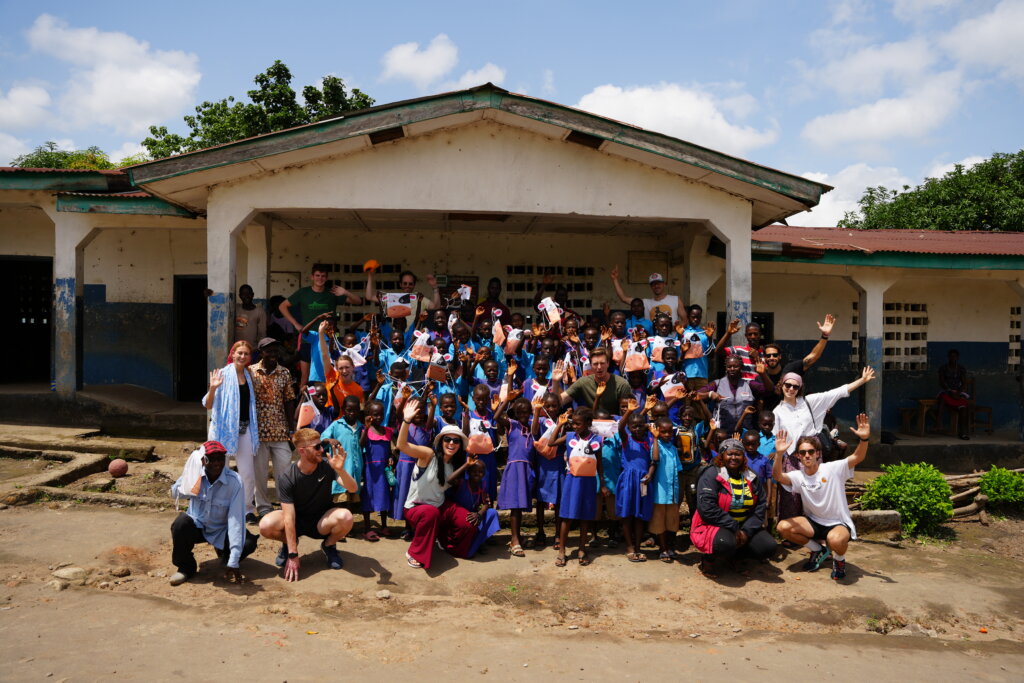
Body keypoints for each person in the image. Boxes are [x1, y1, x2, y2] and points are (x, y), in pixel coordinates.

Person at [773, 414, 871, 581]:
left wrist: (864, 439)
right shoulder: (798, 475)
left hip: (837, 523)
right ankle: (817, 549)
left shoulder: (833, 469)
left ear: (818, 453)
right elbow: (778, 476)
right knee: (783, 527)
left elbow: (857, 457)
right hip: (813, 522)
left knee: (835, 541)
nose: (807, 455)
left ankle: (839, 561)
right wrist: (779, 453)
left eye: (811, 451)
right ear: (798, 456)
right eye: (802, 452)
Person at [772, 367, 875, 520]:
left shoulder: (810, 402)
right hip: (792, 457)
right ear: (782, 385)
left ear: (800, 388)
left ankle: (818, 526)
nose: (791, 389)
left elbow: (837, 392)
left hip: (812, 454)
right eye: (788, 385)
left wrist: (862, 380)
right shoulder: (777, 411)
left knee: (816, 491)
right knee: (791, 495)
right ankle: (792, 529)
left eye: (795, 386)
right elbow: (777, 438)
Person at [258, 427, 358, 580]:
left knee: (346, 517)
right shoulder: (287, 477)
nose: (321, 450)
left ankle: (329, 545)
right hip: (297, 522)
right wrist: (293, 553)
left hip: (321, 522)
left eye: (321, 445)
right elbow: (289, 518)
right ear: (302, 451)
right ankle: (288, 543)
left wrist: (341, 470)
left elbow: (353, 488)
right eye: (317, 447)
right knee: (265, 525)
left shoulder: (326, 466)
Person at [396, 400, 478, 569]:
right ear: (441, 441)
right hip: (416, 508)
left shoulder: (453, 466)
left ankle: (449, 546)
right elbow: (401, 445)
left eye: (456, 441)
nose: (452, 443)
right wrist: (406, 421)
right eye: (448, 439)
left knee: (467, 521)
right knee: (430, 513)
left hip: (438, 507)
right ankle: (414, 552)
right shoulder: (428, 455)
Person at [168, 441, 258, 586]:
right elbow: (174, 494)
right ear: (203, 460)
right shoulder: (195, 472)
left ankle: (226, 558)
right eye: (212, 459)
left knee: (247, 543)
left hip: (222, 530)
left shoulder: (234, 481)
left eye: (220, 459)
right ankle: (186, 568)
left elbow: (236, 520)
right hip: (198, 527)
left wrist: (234, 560)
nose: (217, 463)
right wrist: (189, 477)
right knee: (180, 524)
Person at [690, 438, 776, 578]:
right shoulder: (712, 474)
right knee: (724, 543)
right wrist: (734, 526)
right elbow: (707, 508)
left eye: (738, 454)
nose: (734, 458)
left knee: (768, 547)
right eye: (730, 454)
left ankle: (737, 558)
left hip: (743, 524)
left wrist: (746, 530)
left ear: (743, 457)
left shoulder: (750, 476)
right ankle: (708, 560)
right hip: (715, 524)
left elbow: (760, 505)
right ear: (722, 455)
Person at [203, 340, 259, 519]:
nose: (242, 356)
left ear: (250, 357)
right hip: (222, 430)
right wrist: (213, 388)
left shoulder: (249, 376)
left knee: (248, 473)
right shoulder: (222, 375)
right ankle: (217, 508)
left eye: (246, 354)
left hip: (245, 428)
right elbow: (208, 404)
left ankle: (247, 509)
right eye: (239, 353)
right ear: (232, 354)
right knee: (219, 469)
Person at [279, 264, 360, 387]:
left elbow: (358, 301)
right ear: (312, 277)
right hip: (308, 339)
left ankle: (327, 403)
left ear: (326, 278)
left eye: (323, 276)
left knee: (329, 375)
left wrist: (345, 292)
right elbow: (282, 306)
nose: (320, 278)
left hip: (329, 340)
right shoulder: (303, 292)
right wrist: (295, 324)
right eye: (317, 275)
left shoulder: (332, 293)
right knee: (305, 376)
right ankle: (304, 404)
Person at [249, 338, 297, 522]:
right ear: (261, 352)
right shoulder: (251, 372)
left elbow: (289, 401)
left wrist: (291, 430)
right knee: (259, 473)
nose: (273, 354)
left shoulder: (284, 372)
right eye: (269, 351)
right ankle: (263, 507)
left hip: (280, 431)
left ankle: (285, 505)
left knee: (284, 471)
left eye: (275, 350)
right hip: (258, 433)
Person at [554, 406, 605, 567]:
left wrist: (602, 483)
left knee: (585, 517)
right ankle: (562, 550)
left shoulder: (597, 440)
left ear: (588, 423)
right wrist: (560, 425)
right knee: (567, 517)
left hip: (589, 482)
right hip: (572, 481)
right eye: (574, 424)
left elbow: (600, 463)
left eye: (579, 424)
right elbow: (551, 442)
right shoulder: (569, 437)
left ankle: (582, 549)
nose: (575, 427)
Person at [761, 314, 835, 410]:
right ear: (764, 357)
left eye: (775, 355)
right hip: (769, 420)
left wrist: (825, 336)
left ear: (780, 356)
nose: (771, 357)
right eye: (768, 355)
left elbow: (813, 357)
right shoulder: (762, 374)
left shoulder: (790, 369)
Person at [554, 348, 632, 415]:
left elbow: (629, 411)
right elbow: (559, 402)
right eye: (595, 364)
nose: (599, 367)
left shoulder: (621, 384)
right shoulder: (583, 382)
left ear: (608, 364)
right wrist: (555, 382)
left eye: (602, 363)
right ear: (590, 365)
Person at [364, 267, 441, 330]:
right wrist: (370, 276)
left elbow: (436, 307)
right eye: (405, 283)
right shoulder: (393, 298)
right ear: (400, 284)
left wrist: (435, 288)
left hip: (415, 337)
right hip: (397, 337)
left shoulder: (419, 298)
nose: (407, 286)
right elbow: (369, 296)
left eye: (410, 284)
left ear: (414, 285)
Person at [610, 266, 684, 321]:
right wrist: (615, 279)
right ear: (651, 287)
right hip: (652, 340)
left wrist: (676, 329)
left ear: (664, 284)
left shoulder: (675, 300)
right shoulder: (645, 303)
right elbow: (624, 298)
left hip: (671, 339)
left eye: (658, 283)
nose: (656, 286)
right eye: (653, 284)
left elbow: (685, 320)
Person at [938, 349, 970, 440]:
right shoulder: (943, 368)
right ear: (948, 357)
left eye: (955, 356)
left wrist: (958, 393)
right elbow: (941, 382)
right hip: (947, 391)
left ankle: (962, 433)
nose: (953, 358)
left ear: (958, 358)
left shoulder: (961, 368)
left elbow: (964, 383)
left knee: (963, 407)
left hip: (958, 392)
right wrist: (950, 391)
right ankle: (939, 424)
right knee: (943, 399)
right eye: (951, 356)